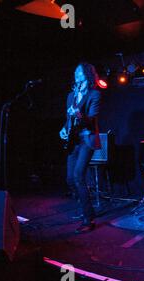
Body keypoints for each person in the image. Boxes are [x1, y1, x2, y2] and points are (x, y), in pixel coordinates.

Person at [59, 63, 101, 234]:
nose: (76, 73)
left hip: (87, 139)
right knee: (70, 179)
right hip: (73, 140)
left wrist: (78, 114)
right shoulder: (71, 96)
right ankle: (84, 206)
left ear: (88, 74)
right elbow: (68, 120)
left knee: (78, 175)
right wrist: (63, 129)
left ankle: (88, 218)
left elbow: (91, 120)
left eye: (80, 71)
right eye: (75, 71)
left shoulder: (94, 94)